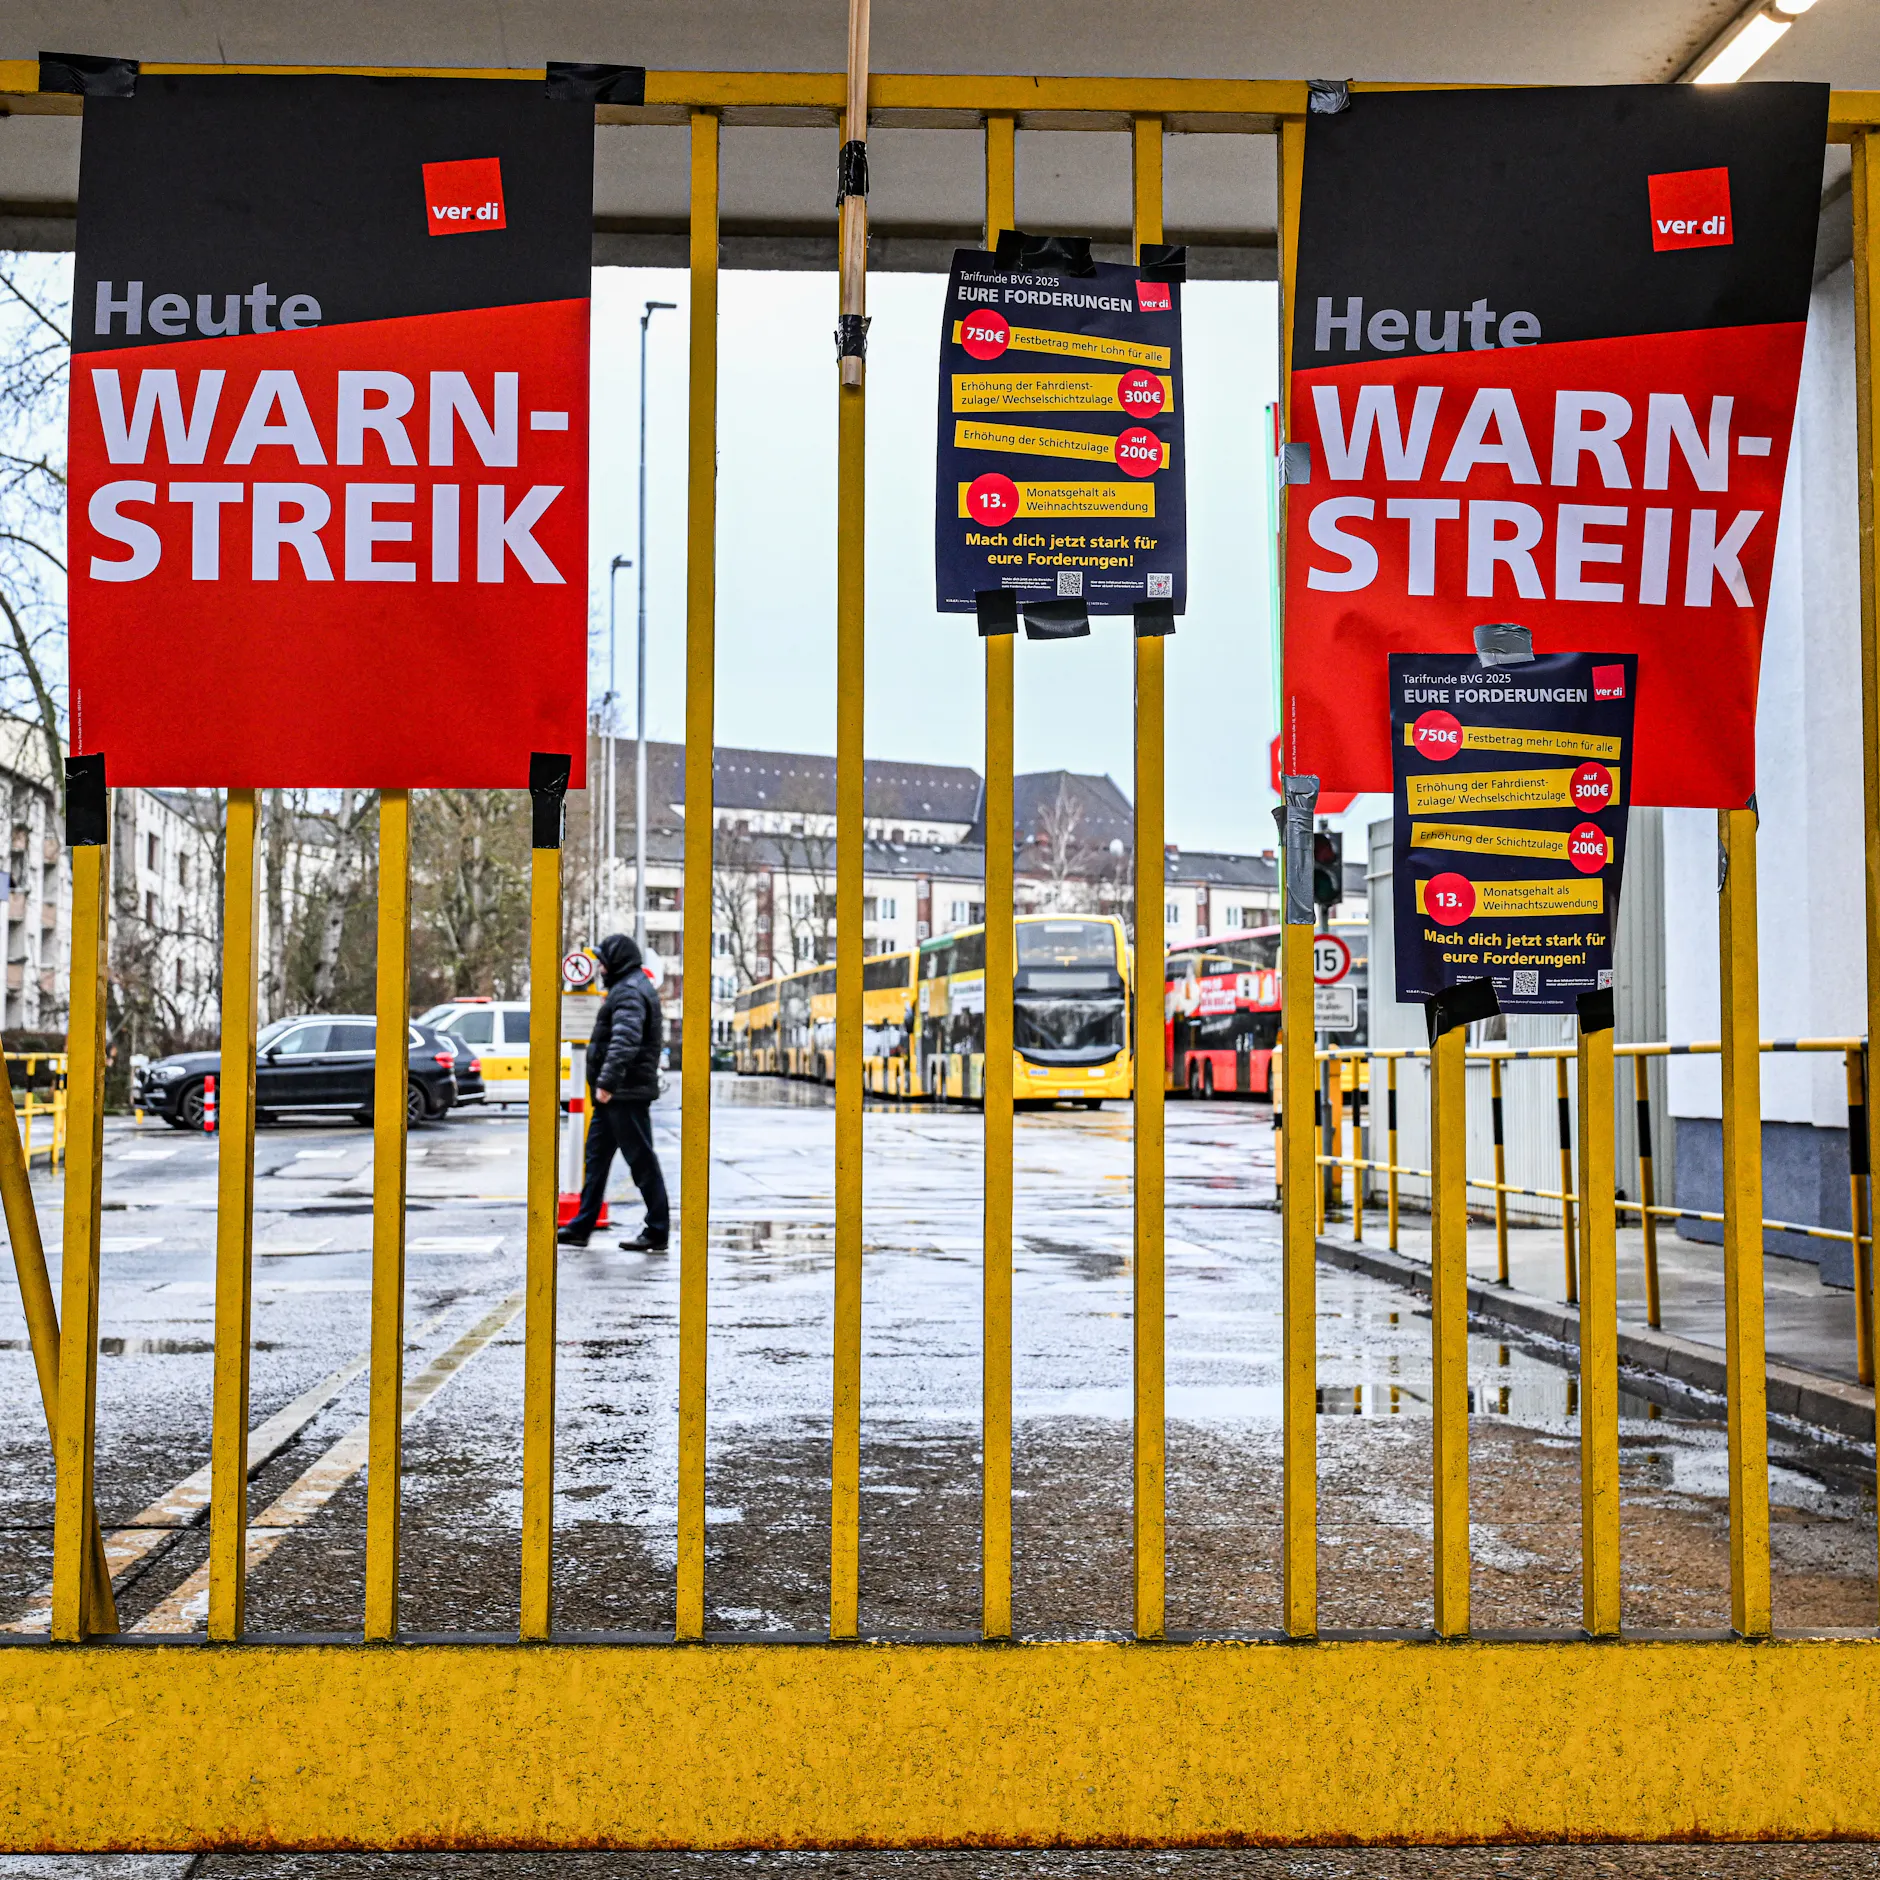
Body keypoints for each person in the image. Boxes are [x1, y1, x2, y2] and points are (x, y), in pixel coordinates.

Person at [556, 933, 670, 1252]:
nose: (600, 967)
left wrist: (606, 1084)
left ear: (617, 961)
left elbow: (625, 1041)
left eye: (604, 960)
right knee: (596, 1159)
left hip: (625, 1094)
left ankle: (658, 1229)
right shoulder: (627, 987)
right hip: (619, 1094)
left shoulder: (630, 992)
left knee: (641, 1161)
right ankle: (582, 1224)